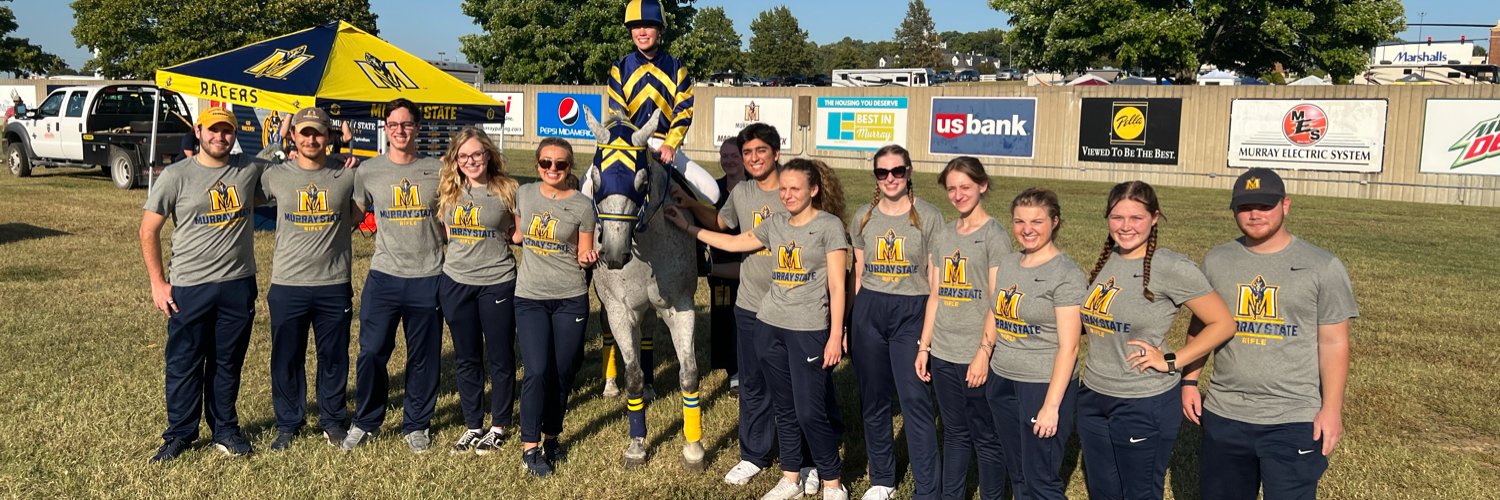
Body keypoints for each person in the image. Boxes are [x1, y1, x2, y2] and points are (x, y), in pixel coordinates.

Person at [667, 158, 850, 500]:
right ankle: (791, 479)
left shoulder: (829, 227)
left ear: (814, 189)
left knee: (809, 410)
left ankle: (832, 482)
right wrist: (688, 228)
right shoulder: (776, 222)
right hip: (768, 327)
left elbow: (838, 287)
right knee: (784, 408)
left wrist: (836, 334)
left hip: (808, 329)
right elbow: (735, 243)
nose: (788, 195)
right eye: (784, 189)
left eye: (796, 188)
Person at [1182, 168, 1358, 500]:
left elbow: (1334, 342)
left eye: (1265, 205)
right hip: (1225, 412)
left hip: (1294, 417)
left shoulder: (1323, 266)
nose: (1254, 214)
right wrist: (1190, 381)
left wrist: (1332, 409)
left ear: (1285, 205)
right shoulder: (1218, 260)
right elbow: (1202, 326)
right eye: (1245, 206)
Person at [1074, 180, 1236, 500]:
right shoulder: (1109, 258)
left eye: (1136, 218)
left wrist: (1171, 360)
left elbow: (1223, 323)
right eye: (1117, 217)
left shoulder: (1171, 267)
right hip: (1093, 395)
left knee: (1139, 493)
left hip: (1142, 401)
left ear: (1155, 218)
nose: (1126, 226)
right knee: (1103, 491)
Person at [673, 124, 810, 489]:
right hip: (751, 304)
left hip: (794, 305)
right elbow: (722, 223)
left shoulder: (795, 190)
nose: (752, 159)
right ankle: (753, 455)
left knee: (800, 386)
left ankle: (808, 460)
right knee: (752, 384)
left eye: (759, 152)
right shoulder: (742, 191)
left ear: (776, 153)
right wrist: (690, 207)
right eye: (747, 153)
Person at [139, 107, 264, 461]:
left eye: (227, 131)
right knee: (185, 361)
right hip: (190, 286)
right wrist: (157, 283)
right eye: (213, 130)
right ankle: (180, 433)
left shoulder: (249, 169)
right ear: (198, 130)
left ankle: (224, 429)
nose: (219, 137)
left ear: (234, 135)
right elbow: (149, 229)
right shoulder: (177, 175)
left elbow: (296, 171)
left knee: (227, 362)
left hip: (238, 284)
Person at [344, 98, 446, 454]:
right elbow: (354, 217)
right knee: (371, 352)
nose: (400, 130)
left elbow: (454, 217)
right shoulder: (368, 172)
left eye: (406, 124)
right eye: (393, 125)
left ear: (417, 128)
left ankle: (416, 424)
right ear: (385, 129)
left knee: (424, 356)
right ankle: (366, 420)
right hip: (384, 276)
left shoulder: (439, 169)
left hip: (429, 274)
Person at [846, 145, 944, 500]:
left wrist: (927, 338)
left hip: (912, 311)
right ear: (875, 176)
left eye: (897, 171)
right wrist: (849, 323)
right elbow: (857, 272)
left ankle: (928, 489)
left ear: (909, 171)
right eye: (882, 172)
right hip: (869, 311)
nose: (890, 178)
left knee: (914, 400)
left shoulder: (929, 217)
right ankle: (882, 480)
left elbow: (936, 283)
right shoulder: (863, 217)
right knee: (873, 401)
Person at [259, 107, 359, 451]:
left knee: (333, 357)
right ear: (294, 137)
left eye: (318, 132)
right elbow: (248, 179)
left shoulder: (346, 175)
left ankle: (332, 420)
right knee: (287, 356)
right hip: (288, 283)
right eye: (305, 133)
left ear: (329, 136)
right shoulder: (276, 174)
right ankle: (289, 423)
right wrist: (274, 147)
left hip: (333, 282)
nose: (312, 139)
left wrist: (352, 159)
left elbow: (358, 214)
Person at [914, 156, 1009, 500]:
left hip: (976, 355)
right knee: (954, 433)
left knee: (985, 436)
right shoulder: (943, 235)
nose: (957, 195)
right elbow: (936, 296)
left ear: (982, 186)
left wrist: (984, 353)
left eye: (965, 187)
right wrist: (924, 347)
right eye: (951, 188)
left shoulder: (995, 236)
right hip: (943, 352)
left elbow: (999, 303)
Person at [987, 188, 1085, 500]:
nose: (1027, 229)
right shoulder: (1010, 262)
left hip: (1041, 385)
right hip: (1002, 379)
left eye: (1037, 221)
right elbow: (996, 312)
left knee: (1041, 479)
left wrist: (1051, 406)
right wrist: (984, 354)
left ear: (1055, 222)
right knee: (1018, 471)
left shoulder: (1066, 274)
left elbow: (1070, 347)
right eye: (1019, 221)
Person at [512, 137, 598, 477]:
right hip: (530, 296)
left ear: (569, 167)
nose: (552, 169)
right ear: (537, 165)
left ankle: (552, 438)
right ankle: (530, 448)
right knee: (536, 371)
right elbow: (518, 234)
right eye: (546, 163)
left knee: (562, 373)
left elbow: (583, 253)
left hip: (570, 296)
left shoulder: (581, 206)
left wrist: (589, 257)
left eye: (560, 164)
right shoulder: (525, 193)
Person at [436, 128, 521, 455]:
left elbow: (518, 234)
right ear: (456, 159)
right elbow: (447, 233)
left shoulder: (508, 189)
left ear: (488, 155)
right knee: (467, 356)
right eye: (464, 156)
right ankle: (473, 425)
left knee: (500, 357)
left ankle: (498, 426)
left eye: (477, 154)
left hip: (497, 281)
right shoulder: (448, 191)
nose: (471, 161)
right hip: (455, 281)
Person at [606, 0, 720, 205]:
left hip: (665, 145)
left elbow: (684, 110)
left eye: (648, 26)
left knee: (712, 193)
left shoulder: (677, 68)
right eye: (635, 26)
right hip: (630, 146)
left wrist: (670, 144)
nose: (641, 32)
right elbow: (618, 113)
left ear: (659, 30)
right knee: (585, 188)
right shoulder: (619, 68)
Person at [708, 138, 747, 395]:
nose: (729, 161)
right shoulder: (713, 189)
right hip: (720, 266)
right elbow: (707, 221)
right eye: (725, 156)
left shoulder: (754, 188)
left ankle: (745, 367)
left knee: (744, 320)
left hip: (748, 264)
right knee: (723, 319)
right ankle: (731, 369)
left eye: (734, 156)